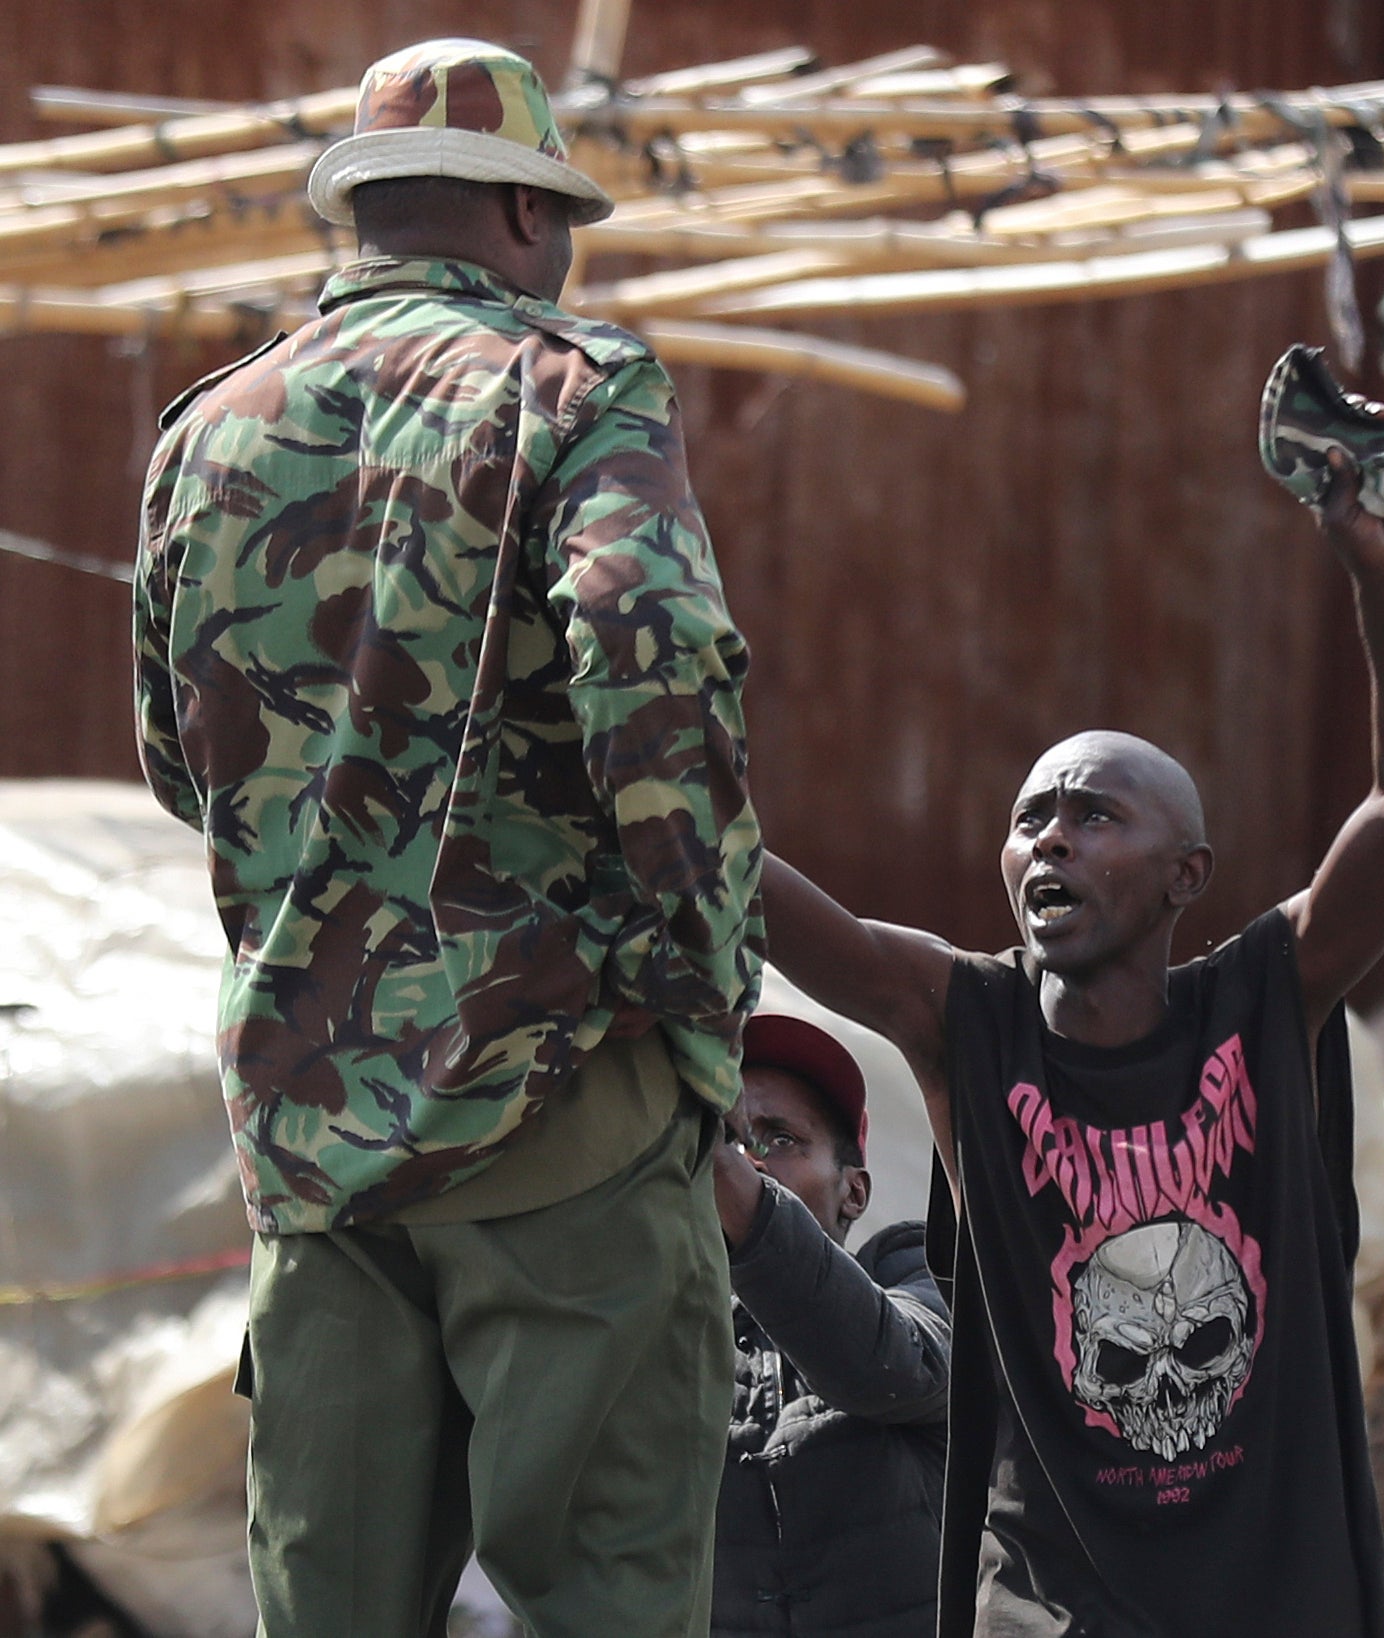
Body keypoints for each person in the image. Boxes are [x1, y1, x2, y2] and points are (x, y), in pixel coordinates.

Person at [132, 39, 761, 1638]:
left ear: (364, 216)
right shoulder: (571, 385)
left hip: (314, 1136)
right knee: (604, 1596)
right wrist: (696, 989)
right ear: (517, 217)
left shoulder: (203, 434)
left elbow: (175, 765)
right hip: (559, 1096)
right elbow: (657, 672)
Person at [758, 450, 1384, 1638]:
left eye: (1094, 817)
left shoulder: (1263, 999)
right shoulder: (963, 1021)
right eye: (1032, 819)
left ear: (1187, 874)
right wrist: (635, 737)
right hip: (1052, 1596)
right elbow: (746, 889)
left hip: (1268, 1592)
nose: (1052, 843)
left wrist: (1380, 574)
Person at [710, 1012, 952, 1638]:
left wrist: (747, 1205)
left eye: (778, 1139)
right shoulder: (660, 1327)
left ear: (855, 1191)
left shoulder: (923, 1276)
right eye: (728, 1137)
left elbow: (904, 1364)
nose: (747, 1162)